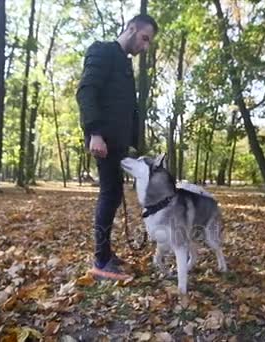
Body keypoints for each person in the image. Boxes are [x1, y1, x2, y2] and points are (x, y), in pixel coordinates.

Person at [76, 14, 158, 280]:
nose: (145, 47)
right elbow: (86, 91)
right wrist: (95, 133)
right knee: (109, 196)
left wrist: (134, 145)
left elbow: (127, 110)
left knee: (112, 197)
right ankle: (101, 261)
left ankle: (106, 254)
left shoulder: (124, 65)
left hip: (119, 145)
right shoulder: (102, 51)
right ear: (131, 28)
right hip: (104, 142)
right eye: (145, 38)